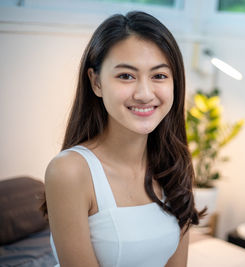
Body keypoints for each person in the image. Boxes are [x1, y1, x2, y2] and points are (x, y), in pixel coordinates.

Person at [41, 11, 205, 267]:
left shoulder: (174, 165)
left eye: (159, 76)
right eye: (126, 76)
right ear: (96, 82)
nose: (144, 93)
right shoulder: (69, 172)